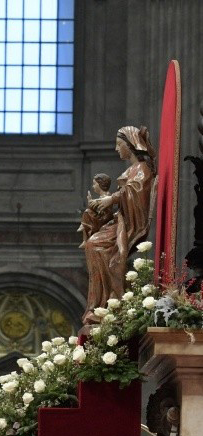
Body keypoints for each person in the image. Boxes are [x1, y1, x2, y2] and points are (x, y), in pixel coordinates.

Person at [82, 125, 156, 324]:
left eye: (119, 144)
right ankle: (102, 303)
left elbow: (136, 193)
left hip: (130, 223)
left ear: (130, 145)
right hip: (122, 219)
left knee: (98, 246)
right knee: (93, 244)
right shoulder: (132, 169)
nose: (116, 149)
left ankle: (112, 300)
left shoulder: (142, 168)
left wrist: (112, 199)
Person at [77, 173, 113, 248]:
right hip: (101, 216)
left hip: (104, 219)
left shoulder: (107, 196)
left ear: (100, 184)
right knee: (88, 212)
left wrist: (91, 202)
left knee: (87, 212)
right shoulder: (102, 196)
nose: (93, 186)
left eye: (94, 184)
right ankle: (84, 237)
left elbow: (101, 205)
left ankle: (84, 231)